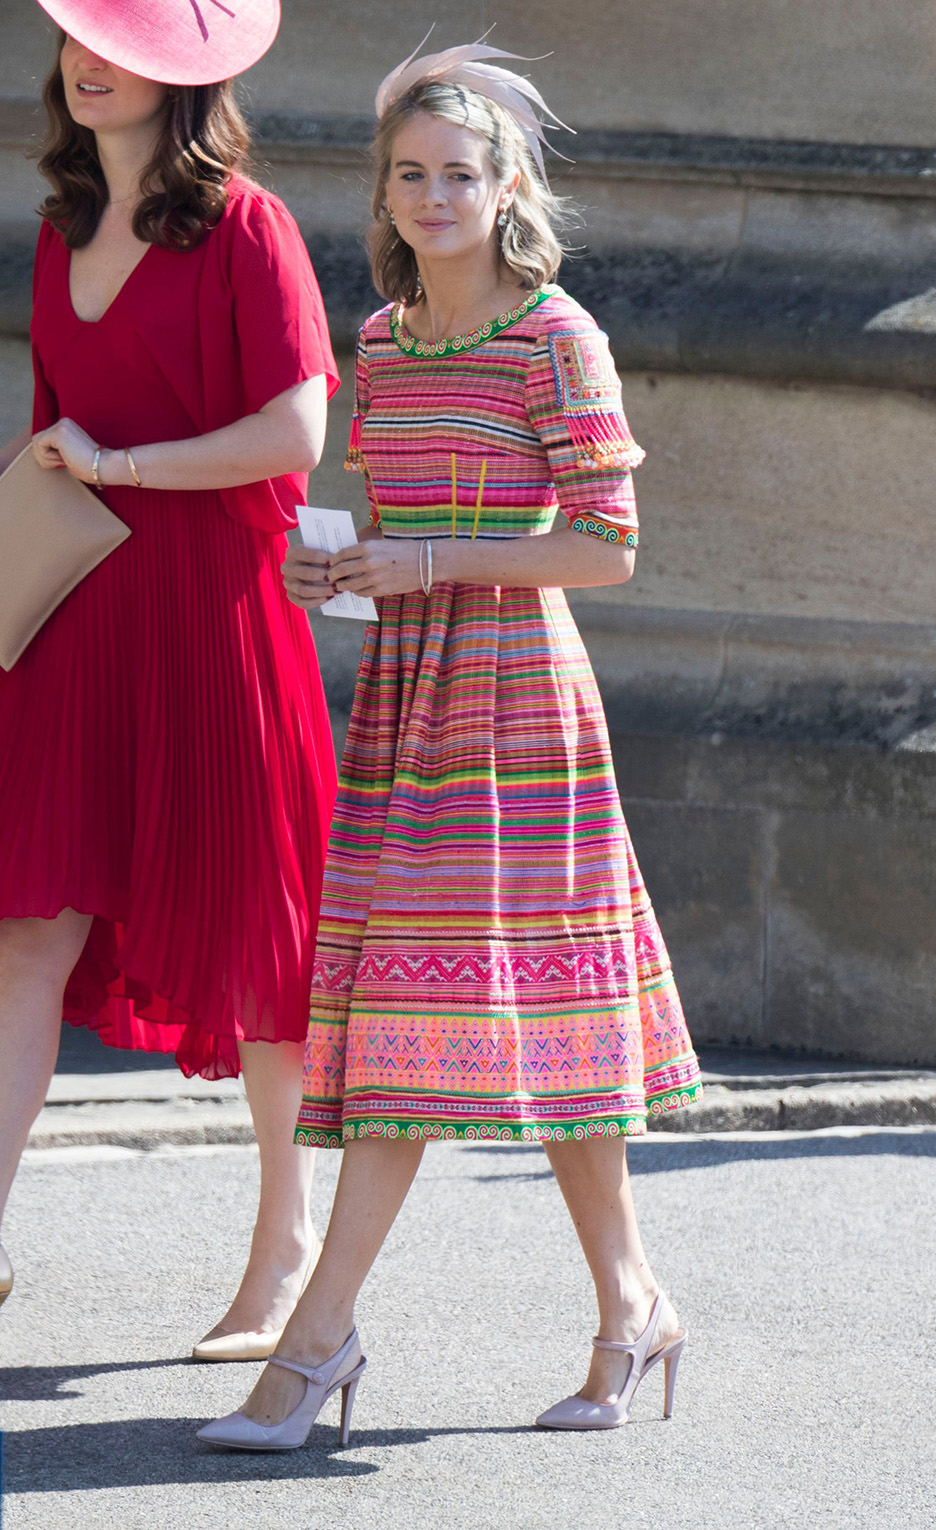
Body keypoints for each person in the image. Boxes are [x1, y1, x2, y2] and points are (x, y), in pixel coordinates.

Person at [198, 39, 702, 1450]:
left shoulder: (559, 335)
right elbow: (391, 526)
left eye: (459, 174)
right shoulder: (379, 338)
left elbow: (607, 547)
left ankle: (313, 1344)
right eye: (410, 175)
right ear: (386, 189)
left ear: (508, 185)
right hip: (406, 702)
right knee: (476, 1018)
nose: (432, 196)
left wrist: (419, 560)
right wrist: (336, 570)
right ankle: (633, 1302)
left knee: (462, 1022)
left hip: (523, 710)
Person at [0, 0, 339, 1360]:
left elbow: (300, 430)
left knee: (257, 946)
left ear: (185, 78)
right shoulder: (55, 231)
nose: (91, 62)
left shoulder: (248, 228)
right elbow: (47, 436)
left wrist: (128, 467)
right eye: (83, 36)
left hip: (215, 618)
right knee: (27, 929)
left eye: (127, 46)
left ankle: (284, 1244)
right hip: (83, 616)